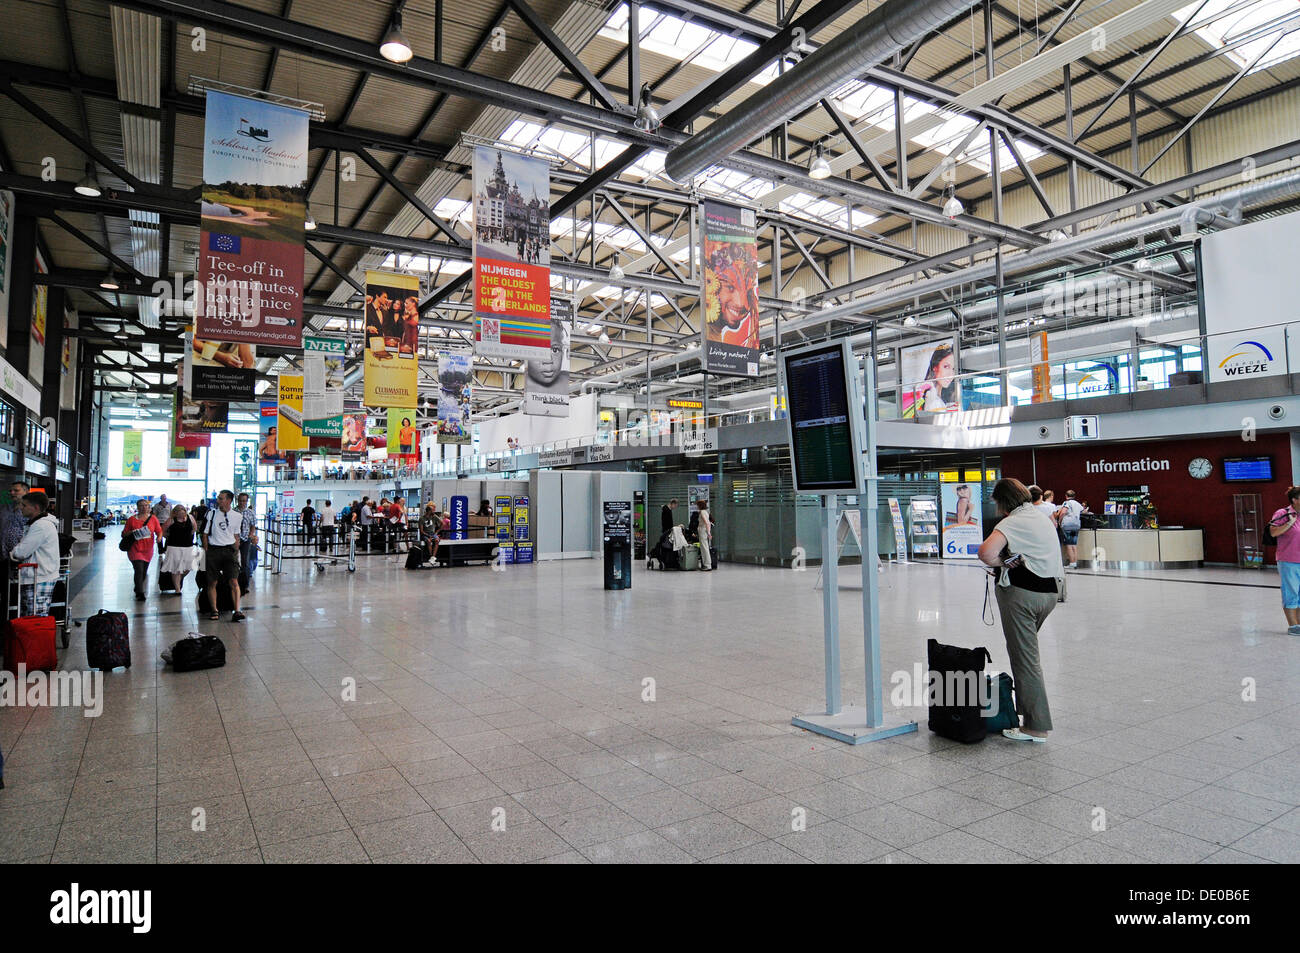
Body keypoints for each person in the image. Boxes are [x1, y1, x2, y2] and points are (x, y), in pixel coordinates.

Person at [977, 478, 1065, 743]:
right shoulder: (1041, 517)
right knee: (1026, 653)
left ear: (1003, 501)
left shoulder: (1012, 521)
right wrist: (1011, 560)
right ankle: (1027, 714)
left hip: (1022, 596)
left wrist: (1001, 562)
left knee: (1025, 660)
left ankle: (1036, 726)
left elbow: (985, 552)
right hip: (1048, 594)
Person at [10, 492, 61, 617]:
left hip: (39, 578)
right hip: (38, 577)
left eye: (24, 505)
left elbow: (21, 552)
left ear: (36, 508)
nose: (21, 508)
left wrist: (13, 551)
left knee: (35, 620)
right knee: (31, 616)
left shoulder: (41, 526)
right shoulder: (36, 523)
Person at [201, 490, 245, 623]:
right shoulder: (211, 513)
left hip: (229, 550)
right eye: (218, 498)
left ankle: (237, 610)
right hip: (214, 550)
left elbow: (236, 535)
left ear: (229, 500)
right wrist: (206, 550)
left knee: (234, 581)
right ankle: (214, 609)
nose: (218, 501)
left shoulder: (237, 516)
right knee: (212, 581)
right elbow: (204, 533)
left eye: (221, 498)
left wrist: (235, 550)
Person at [1268, 486, 1300, 635]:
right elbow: (1273, 532)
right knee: (1291, 592)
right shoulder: (1283, 513)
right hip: (1289, 560)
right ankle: (1293, 626)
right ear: (1295, 500)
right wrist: (1289, 523)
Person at [121, 498, 162, 602]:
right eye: (141, 506)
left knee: (143, 571)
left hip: (148, 549)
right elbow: (124, 534)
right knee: (138, 570)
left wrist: (159, 538)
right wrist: (133, 532)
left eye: (146, 506)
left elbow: (159, 530)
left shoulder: (153, 519)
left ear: (149, 507)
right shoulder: (131, 519)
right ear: (137, 507)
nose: (144, 508)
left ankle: (137, 587)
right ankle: (140, 593)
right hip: (135, 548)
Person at [904, 344, 959, 417]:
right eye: (946, 367)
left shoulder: (945, 397)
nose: (951, 374)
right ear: (935, 367)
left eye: (953, 369)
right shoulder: (930, 395)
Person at [160, 503, 197, 594]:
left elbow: (194, 528)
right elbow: (162, 530)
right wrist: (167, 536)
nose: (182, 514)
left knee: (188, 567)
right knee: (176, 568)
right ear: (175, 513)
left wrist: (190, 535)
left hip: (188, 546)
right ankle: (177, 589)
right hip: (174, 546)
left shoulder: (190, 518)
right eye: (179, 512)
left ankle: (179, 578)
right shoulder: (171, 520)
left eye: (183, 511)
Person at [235, 492, 258, 588]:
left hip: (245, 539)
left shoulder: (250, 513)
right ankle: (234, 582)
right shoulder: (233, 512)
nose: (242, 503)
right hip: (234, 540)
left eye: (244, 501)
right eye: (240, 501)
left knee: (245, 562)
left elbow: (253, 525)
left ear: (247, 501)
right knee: (234, 561)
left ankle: (245, 584)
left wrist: (250, 535)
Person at [1058, 490, 1084, 568]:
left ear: (1066, 496)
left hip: (1067, 525)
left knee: (1069, 545)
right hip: (1076, 525)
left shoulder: (1066, 503)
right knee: (1073, 544)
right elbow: (1083, 511)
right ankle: (1074, 563)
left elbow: (1063, 512)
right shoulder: (1078, 504)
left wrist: (1060, 520)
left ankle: (1071, 563)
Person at [695, 499, 714, 571]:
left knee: (704, 548)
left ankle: (707, 565)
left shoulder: (702, 512)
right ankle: (707, 564)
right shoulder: (705, 512)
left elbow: (707, 523)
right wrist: (708, 532)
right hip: (704, 530)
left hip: (702, 530)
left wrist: (709, 533)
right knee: (705, 547)